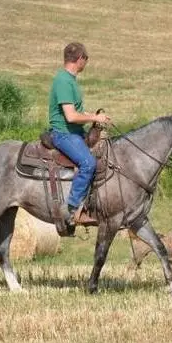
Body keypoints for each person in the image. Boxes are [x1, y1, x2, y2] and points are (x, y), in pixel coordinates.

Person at [48, 42, 109, 236]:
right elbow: (70, 117)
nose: (87, 62)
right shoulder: (63, 81)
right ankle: (72, 209)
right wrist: (94, 118)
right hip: (64, 133)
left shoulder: (70, 80)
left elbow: (76, 112)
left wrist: (92, 115)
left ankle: (91, 203)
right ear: (79, 59)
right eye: (86, 58)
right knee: (88, 163)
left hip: (74, 131)